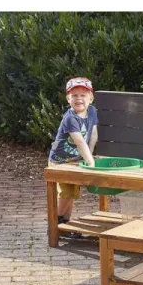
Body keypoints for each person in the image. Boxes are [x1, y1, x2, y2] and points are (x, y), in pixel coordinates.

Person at [48, 77, 99, 238]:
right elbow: (79, 141)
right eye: (74, 95)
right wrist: (91, 162)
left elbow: (93, 135)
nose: (79, 99)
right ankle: (54, 223)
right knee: (66, 192)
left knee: (72, 192)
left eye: (83, 95)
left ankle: (65, 224)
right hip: (60, 161)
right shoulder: (70, 118)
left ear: (91, 98)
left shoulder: (92, 112)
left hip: (76, 161)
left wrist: (89, 156)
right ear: (68, 99)